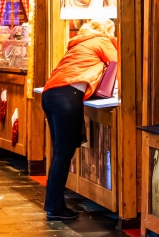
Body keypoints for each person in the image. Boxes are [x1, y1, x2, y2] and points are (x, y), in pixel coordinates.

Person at [40, 18, 118, 220]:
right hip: (67, 97)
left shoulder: (79, 44)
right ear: (107, 31)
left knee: (59, 153)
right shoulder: (101, 41)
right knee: (63, 154)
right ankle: (55, 207)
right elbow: (119, 63)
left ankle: (53, 204)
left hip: (50, 94)